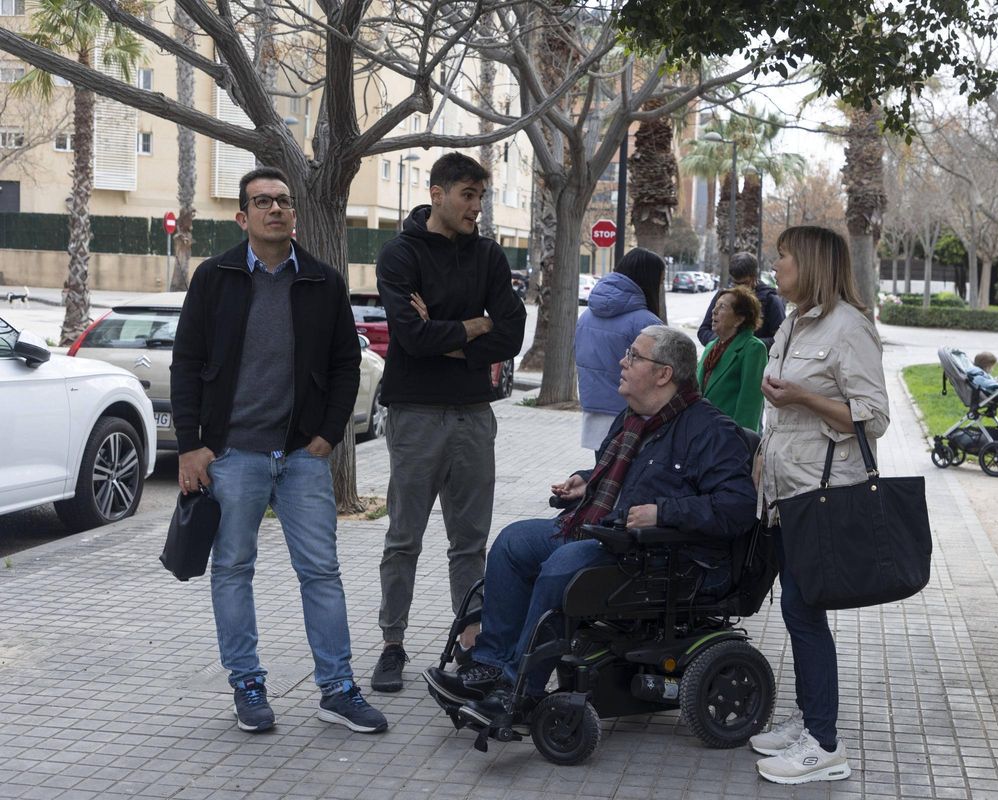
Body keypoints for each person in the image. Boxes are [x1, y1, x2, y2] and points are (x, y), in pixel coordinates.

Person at [421, 325, 758, 724]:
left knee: (563, 568)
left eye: (634, 356)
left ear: (664, 374)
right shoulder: (633, 419)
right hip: (604, 531)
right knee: (514, 543)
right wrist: (588, 481)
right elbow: (622, 475)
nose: (622, 361)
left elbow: (737, 508)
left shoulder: (711, 431)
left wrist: (664, 512)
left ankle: (518, 691)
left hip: (661, 556)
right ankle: (490, 666)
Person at [171, 167, 387, 734]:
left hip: (300, 458)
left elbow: (346, 362)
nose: (276, 209)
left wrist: (330, 431)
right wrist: (192, 445)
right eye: (262, 201)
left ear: (293, 213)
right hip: (233, 454)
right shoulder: (214, 278)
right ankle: (247, 684)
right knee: (233, 569)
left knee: (321, 571)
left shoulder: (321, 280)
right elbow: (187, 364)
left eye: (283, 201)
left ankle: (337, 689)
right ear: (243, 217)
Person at [372, 152, 527, 691]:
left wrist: (452, 335)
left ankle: (471, 643)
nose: (477, 207)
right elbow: (409, 340)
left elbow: (511, 336)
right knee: (403, 538)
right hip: (414, 413)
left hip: (472, 415)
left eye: (481, 197)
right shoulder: (399, 255)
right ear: (436, 193)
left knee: (470, 542)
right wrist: (475, 327)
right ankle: (393, 643)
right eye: (468, 195)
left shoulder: (488, 256)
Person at [751, 225, 889, 785]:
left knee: (804, 615)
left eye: (783, 257)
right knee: (798, 611)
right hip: (787, 490)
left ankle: (824, 746)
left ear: (809, 263)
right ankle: (810, 721)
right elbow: (781, 409)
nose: (775, 266)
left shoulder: (849, 327)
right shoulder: (793, 322)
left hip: (821, 493)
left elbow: (873, 417)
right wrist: (764, 452)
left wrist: (806, 396)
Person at [575, 248, 665, 450]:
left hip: (593, 411)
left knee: (603, 476)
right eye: (659, 282)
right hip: (632, 416)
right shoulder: (647, 322)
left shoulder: (586, 316)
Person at [697, 285, 769, 432]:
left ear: (739, 319)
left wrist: (742, 443)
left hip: (729, 438)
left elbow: (750, 407)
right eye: (715, 306)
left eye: (722, 307)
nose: (714, 311)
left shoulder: (753, 348)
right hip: (702, 433)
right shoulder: (712, 346)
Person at [697, 252, 786, 347]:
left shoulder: (771, 300)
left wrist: (746, 345)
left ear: (754, 277)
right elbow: (703, 331)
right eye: (736, 283)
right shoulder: (724, 296)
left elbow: (781, 340)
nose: (739, 288)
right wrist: (721, 341)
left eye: (744, 283)